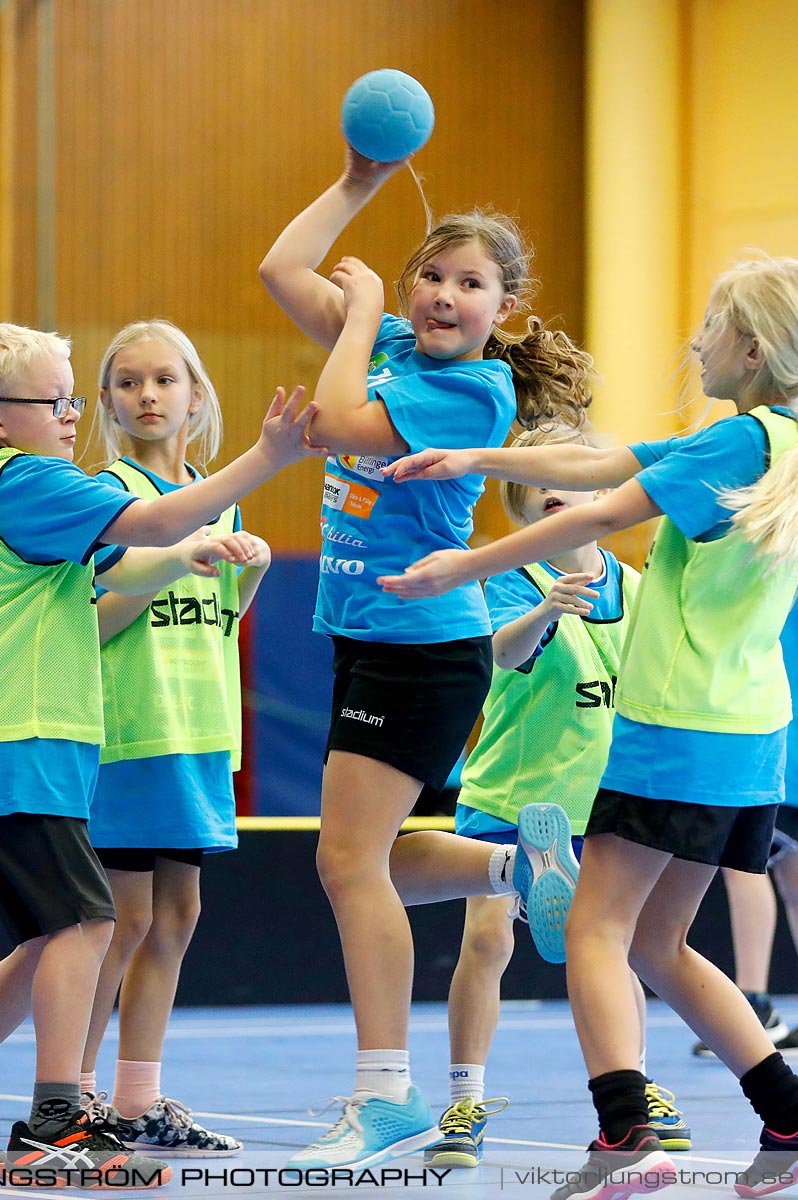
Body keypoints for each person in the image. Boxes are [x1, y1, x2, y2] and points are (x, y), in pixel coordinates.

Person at [382, 251, 798, 1198]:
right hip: (748, 737)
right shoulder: (779, 438)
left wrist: (461, 569)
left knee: (593, 930)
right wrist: (482, 456)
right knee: (659, 943)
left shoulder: (738, 445)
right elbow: (602, 458)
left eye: (712, 330)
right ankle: (797, 1119)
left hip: (676, 726)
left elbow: (598, 506)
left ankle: (623, 1132)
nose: (696, 344)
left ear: (753, 348)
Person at [0, 320, 318, 1183]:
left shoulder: (18, 486)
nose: (73, 414)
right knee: (88, 923)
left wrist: (193, 556)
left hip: (1, 750)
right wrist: (267, 455)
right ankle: (57, 1113)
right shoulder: (32, 481)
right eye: (58, 400)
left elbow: (124, 568)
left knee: (53, 933)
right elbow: (153, 519)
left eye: (75, 397)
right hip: (7, 743)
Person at [259, 146, 595, 1170]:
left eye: (472, 283)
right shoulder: (399, 340)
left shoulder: (474, 394)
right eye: (433, 276)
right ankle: (518, 863)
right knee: (383, 863)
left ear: (504, 308)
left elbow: (332, 426)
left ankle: (388, 1094)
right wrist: (359, 179)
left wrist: (362, 320)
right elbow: (281, 269)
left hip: (423, 647)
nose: (445, 296)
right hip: (373, 642)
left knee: (346, 862)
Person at [417, 426, 690, 1168]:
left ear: (603, 492)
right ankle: (465, 1098)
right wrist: (548, 611)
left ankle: (636, 1085)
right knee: (488, 939)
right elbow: (501, 653)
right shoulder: (511, 577)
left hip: (600, 806)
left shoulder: (638, 590)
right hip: (515, 794)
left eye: (570, 477)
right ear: (525, 503)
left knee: (614, 949)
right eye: (540, 485)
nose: (554, 491)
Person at [75, 320, 267, 1158]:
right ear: (110, 401)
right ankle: (69, 1099)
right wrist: (169, 562)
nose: (147, 395)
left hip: (197, 732)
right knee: (119, 921)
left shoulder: (216, 495)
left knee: (178, 914)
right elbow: (94, 622)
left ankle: (137, 1100)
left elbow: (216, 623)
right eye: (128, 382)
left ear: (195, 393)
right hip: (130, 731)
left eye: (163, 380)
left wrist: (247, 573)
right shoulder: (106, 497)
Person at [695, 533, 798, 1060]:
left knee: (745, 867)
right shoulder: (775, 553)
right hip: (779, 745)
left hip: (788, 750)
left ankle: (753, 1004)